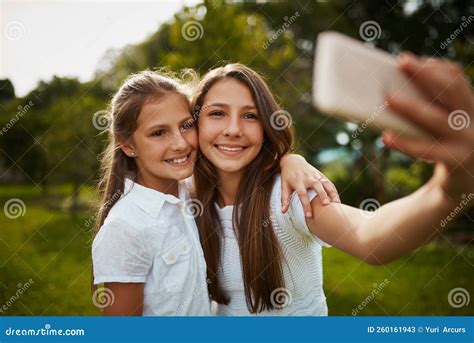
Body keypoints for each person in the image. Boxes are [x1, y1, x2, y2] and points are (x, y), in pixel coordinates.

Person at [191, 57, 473, 315]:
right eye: (217, 113)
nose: (233, 129)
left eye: (250, 116)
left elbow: (369, 235)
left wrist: (446, 191)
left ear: (266, 127)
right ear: (194, 125)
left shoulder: (289, 195)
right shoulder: (186, 199)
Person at [91, 70, 339, 315]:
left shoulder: (190, 195)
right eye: (158, 133)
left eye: (186, 126)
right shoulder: (125, 226)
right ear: (127, 144)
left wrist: (289, 160)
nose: (180, 143)